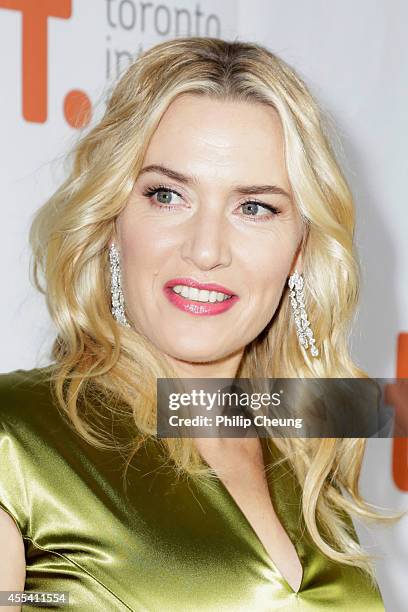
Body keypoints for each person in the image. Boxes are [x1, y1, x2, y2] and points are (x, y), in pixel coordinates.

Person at [0, 37, 402, 611]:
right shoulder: (15, 442)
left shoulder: (303, 447)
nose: (207, 249)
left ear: (300, 248)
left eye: (255, 207)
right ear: (113, 220)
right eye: (168, 196)